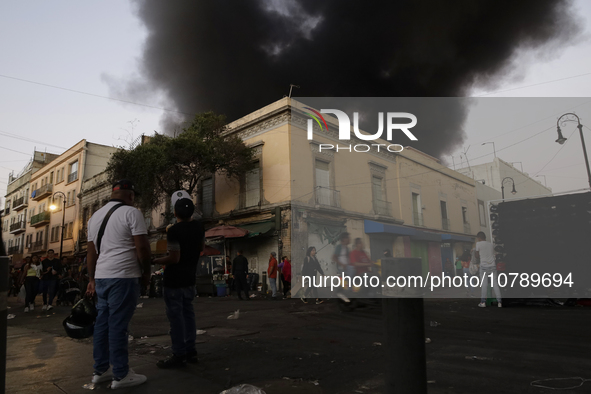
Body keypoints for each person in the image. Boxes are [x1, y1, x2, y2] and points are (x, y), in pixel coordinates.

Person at [86, 180, 151, 389]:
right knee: (118, 326)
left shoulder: (94, 217)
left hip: (102, 276)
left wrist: (91, 279)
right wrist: (146, 272)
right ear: (130, 195)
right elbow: (142, 247)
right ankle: (121, 374)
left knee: (102, 324)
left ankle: (100, 370)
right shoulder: (132, 213)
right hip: (123, 275)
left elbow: (91, 252)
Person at [153, 192, 205, 368]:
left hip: (174, 280)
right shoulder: (199, 227)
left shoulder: (174, 231)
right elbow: (202, 247)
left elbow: (173, 258)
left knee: (176, 318)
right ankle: (191, 351)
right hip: (190, 277)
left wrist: (156, 260)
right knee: (189, 315)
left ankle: (179, 354)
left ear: (175, 213)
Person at [475, 232, 502, 308]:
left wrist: (474, 252)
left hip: (484, 267)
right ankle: (499, 302)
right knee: (495, 284)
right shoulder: (490, 244)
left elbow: (477, 256)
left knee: (484, 285)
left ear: (479, 238)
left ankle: (483, 302)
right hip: (492, 266)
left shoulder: (478, 244)